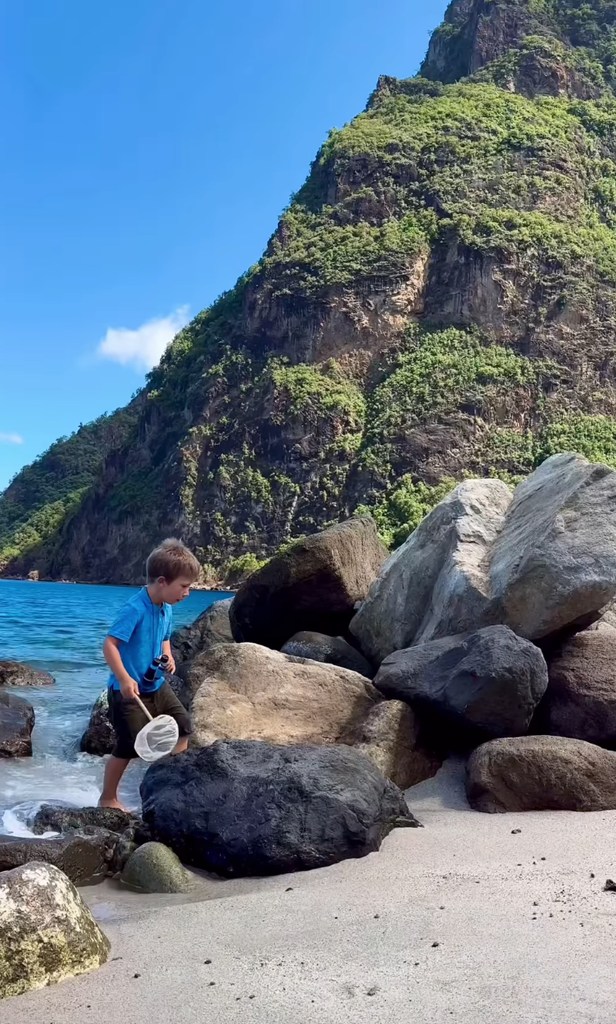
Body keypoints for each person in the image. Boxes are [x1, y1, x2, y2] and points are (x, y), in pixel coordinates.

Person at [98, 537, 201, 810]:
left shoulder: (166, 608)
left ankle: (167, 780)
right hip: (128, 692)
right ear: (162, 581)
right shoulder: (135, 609)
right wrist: (122, 678)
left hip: (155, 684)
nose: (187, 593)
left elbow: (165, 637)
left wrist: (168, 656)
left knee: (184, 726)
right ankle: (108, 797)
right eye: (184, 586)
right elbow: (109, 645)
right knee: (128, 746)